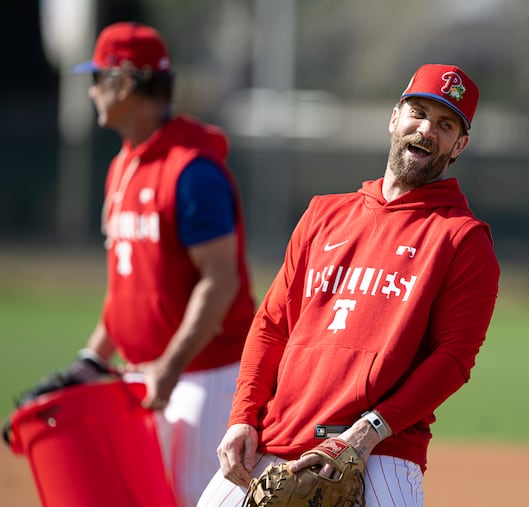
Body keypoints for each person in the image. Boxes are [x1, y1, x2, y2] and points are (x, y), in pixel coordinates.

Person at [197, 63, 500, 506]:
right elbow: (271, 326)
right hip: (277, 436)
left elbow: (453, 359)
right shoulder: (323, 213)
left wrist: (367, 432)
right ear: (394, 117)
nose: (427, 130)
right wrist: (243, 416)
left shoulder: (461, 237)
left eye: (445, 124)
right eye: (418, 112)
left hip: (380, 453)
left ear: (459, 145)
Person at [68, 21, 256, 506]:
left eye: (97, 77)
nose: (90, 90)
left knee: (198, 499)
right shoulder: (123, 164)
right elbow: (127, 285)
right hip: (145, 376)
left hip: (204, 377)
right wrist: (93, 360)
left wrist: (170, 368)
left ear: (125, 82)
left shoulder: (191, 170)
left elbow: (220, 281)